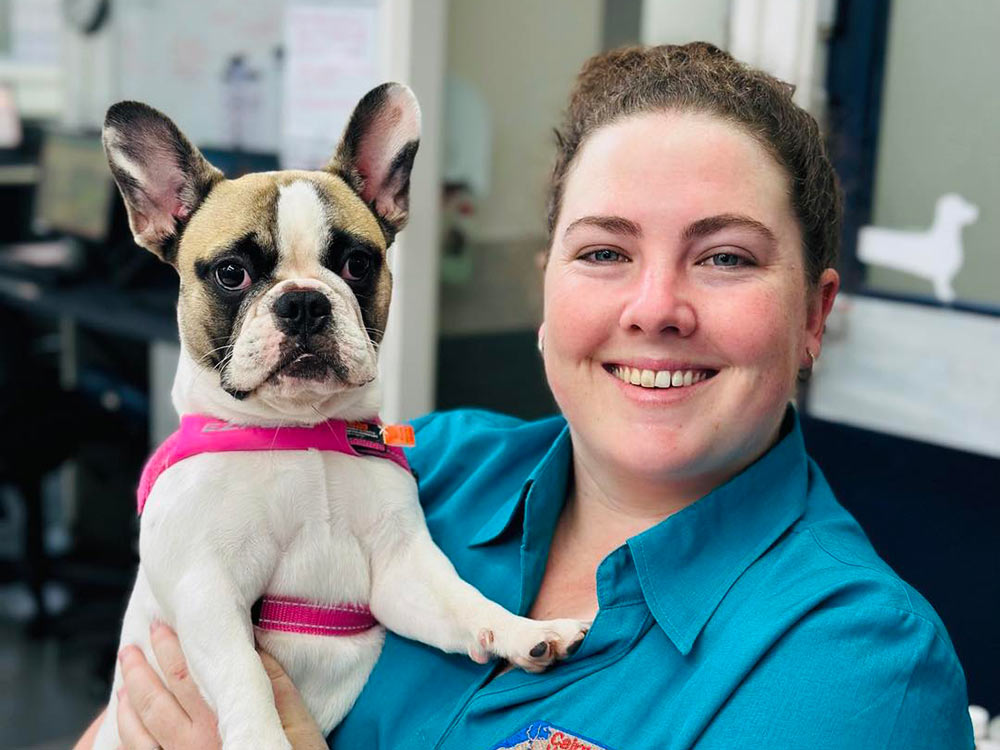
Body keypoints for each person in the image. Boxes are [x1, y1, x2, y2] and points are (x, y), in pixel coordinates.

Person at [75, 42, 973, 749]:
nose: (655, 307)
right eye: (604, 252)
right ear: (547, 292)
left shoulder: (856, 670)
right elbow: (135, 697)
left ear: (814, 317)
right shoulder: (424, 463)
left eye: (725, 257)